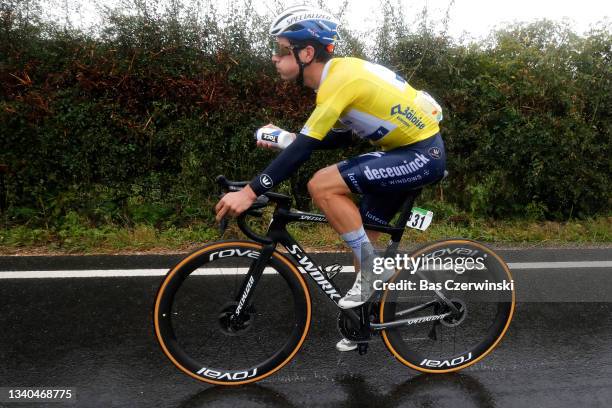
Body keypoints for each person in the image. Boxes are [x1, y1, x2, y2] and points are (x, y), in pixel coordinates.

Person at [215, 5, 447, 352]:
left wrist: (250, 192)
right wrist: (290, 138)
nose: (274, 58)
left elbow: (306, 149)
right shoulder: (339, 76)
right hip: (404, 151)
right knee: (363, 238)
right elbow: (338, 137)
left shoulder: (338, 80)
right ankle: (362, 323)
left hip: (420, 154)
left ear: (306, 52)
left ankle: (371, 277)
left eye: (280, 49)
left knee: (321, 184)